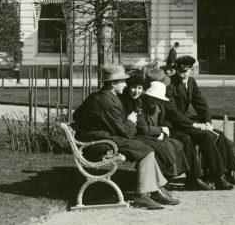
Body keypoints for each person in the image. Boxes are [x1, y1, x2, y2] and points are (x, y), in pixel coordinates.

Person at [72, 64, 179, 210]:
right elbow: (125, 132)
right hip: (99, 143)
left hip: (100, 138)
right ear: (113, 83)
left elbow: (76, 115)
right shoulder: (107, 102)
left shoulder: (98, 96)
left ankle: (154, 190)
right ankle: (142, 195)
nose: (125, 84)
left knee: (146, 146)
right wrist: (130, 121)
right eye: (122, 81)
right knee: (146, 149)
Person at [168, 55, 235, 190]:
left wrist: (208, 122)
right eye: (179, 71)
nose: (182, 74)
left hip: (187, 122)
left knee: (219, 135)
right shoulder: (170, 85)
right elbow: (172, 113)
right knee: (206, 136)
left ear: (191, 70)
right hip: (175, 125)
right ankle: (218, 176)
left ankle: (231, 173)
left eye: (185, 71)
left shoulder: (191, 82)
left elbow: (201, 104)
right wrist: (194, 124)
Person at [120, 73, 188, 180]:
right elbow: (141, 128)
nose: (136, 91)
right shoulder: (132, 102)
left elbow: (165, 120)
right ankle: (158, 180)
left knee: (174, 143)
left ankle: (166, 177)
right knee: (160, 147)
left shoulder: (143, 103)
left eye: (139, 88)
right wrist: (159, 130)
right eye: (133, 87)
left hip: (139, 132)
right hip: (133, 134)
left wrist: (162, 130)